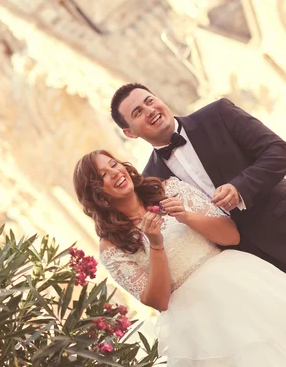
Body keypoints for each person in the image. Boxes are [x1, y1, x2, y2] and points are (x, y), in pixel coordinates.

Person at [73, 150, 286, 366]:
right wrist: (156, 245)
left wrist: (186, 216)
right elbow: (158, 300)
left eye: (114, 164)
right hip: (198, 323)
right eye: (102, 175)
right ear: (96, 194)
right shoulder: (112, 245)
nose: (115, 172)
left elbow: (231, 236)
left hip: (241, 284)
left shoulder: (171, 190)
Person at [110, 83, 286, 272]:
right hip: (243, 264)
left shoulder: (218, 113)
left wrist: (240, 188)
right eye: (138, 112)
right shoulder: (151, 182)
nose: (150, 111)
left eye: (150, 101)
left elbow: (278, 152)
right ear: (130, 133)